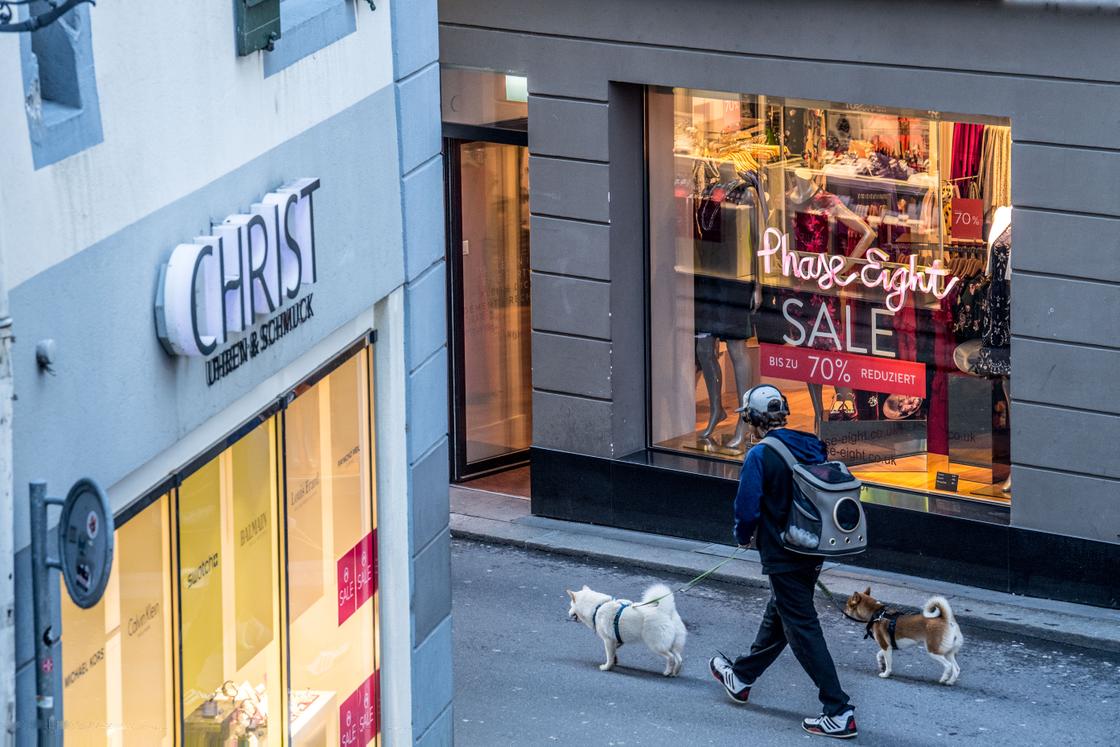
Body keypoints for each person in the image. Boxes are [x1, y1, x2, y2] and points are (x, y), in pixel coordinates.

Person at [709, 384, 857, 739]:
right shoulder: (809, 442)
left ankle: (838, 710)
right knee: (783, 611)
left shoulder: (760, 455)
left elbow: (746, 508)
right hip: (813, 546)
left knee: (801, 625)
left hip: (782, 549)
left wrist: (742, 536)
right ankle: (742, 677)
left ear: (753, 420)